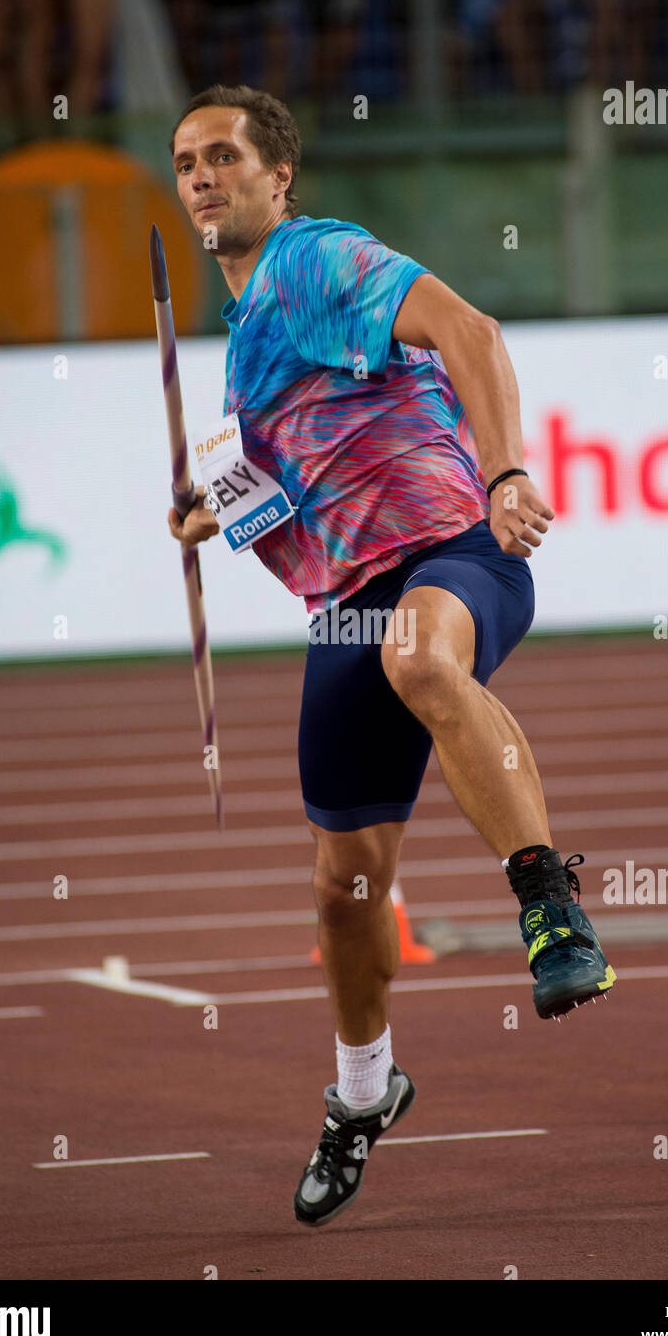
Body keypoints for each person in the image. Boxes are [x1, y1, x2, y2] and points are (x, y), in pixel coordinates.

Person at [166, 84, 615, 1229]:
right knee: (344, 885)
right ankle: (364, 1094)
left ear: (279, 179)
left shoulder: (315, 260)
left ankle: (550, 905)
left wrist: (507, 472)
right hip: (347, 610)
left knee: (422, 660)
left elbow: (470, 331)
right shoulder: (242, 346)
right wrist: (212, 505)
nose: (202, 175)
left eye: (225, 156)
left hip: (458, 553)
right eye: (184, 161)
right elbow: (294, 475)